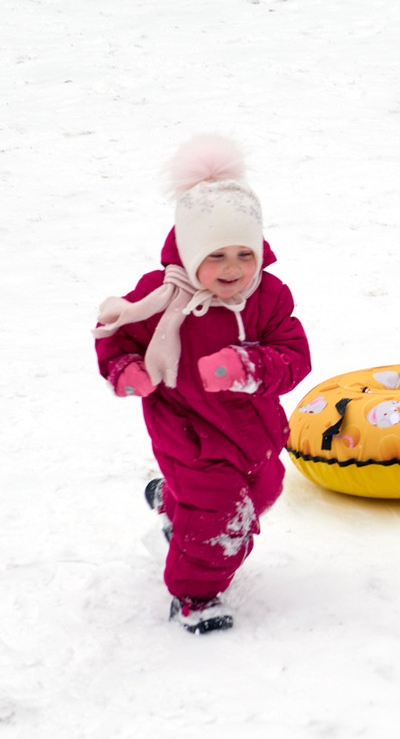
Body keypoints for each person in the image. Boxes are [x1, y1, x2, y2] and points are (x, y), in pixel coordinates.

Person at [93, 136, 311, 632]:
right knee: (220, 515)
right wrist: (127, 371)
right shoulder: (156, 297)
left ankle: (173, 506)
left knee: (264, 490)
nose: (232, 269)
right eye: (216, 256)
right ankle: (196, 596)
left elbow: (295, 357)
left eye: (243, 253)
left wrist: (248, 365)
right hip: (186, 431)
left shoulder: (269, 297)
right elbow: (115, 339)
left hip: (253, 431)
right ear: (190, 254)